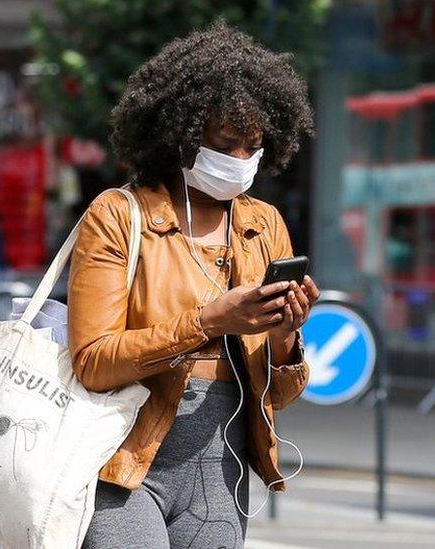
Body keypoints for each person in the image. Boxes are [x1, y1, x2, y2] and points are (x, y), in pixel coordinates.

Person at [69, 23, 320, 549]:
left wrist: (284, 334)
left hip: (219, 470)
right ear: (180, 136)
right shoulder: (119, 215)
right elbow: (93, 362)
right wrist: (211, 321)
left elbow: (276, 395)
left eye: (253, 147)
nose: (239, 161)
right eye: (224, 145)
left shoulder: (264, 224)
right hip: (121, 459)